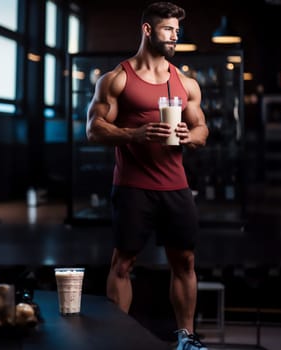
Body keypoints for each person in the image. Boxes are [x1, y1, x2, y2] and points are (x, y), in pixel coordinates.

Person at [85, 2, 209, 350]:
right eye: (169, 29)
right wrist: (133, 135)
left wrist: (190, 137)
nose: (175, 36)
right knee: (123, 263)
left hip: (176, 186)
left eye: (176, 30)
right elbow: (93, 130)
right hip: (133, 186)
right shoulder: (117, 78)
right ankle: (116, 337)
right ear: (148, 30)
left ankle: (186, 338)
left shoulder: (186, 83)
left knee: (184, 261)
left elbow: (202, 130)